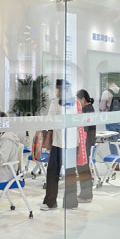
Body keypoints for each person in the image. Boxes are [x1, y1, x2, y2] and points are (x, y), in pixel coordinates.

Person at [42, 79, 80, 210]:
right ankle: (71, 202)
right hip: (72, 143)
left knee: (53, 172)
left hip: (59, 143)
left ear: (59, 89)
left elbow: (49, 121)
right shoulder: (75, 102)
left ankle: (50, 202)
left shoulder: (56, 103)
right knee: (70, 172)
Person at [99, 77, 120, 152]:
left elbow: (102, 107)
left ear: (107, 83)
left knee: (112, 142)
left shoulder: (106, 92)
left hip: (110, 120)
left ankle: (114, 158)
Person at [76, 89, 95, 202]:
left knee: (83, 167)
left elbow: (84, 128)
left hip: (85, 141)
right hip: (87, 141)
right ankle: (86, 194)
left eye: (78, 101)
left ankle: (86, 195)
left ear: (82, 99)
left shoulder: (86, 110)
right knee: (84, 167)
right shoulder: (89, 108)